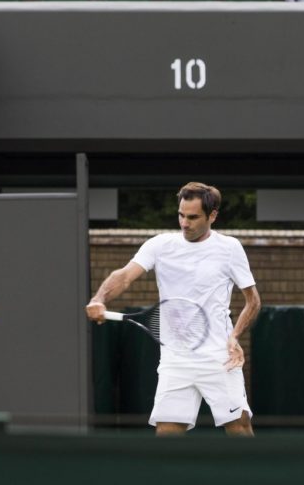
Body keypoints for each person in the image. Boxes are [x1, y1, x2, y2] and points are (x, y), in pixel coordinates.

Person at [85, 182, 261, 436]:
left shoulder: (230, 248)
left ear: (212, 216)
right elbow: (123, 276)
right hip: (175, 360)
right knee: (167, 436)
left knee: (239, 430)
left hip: (219, 359)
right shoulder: (159, 245)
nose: (184, 223)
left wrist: (234, 336)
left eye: (192, 217)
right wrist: (99, 298)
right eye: (180, 215)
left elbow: (253, 300)